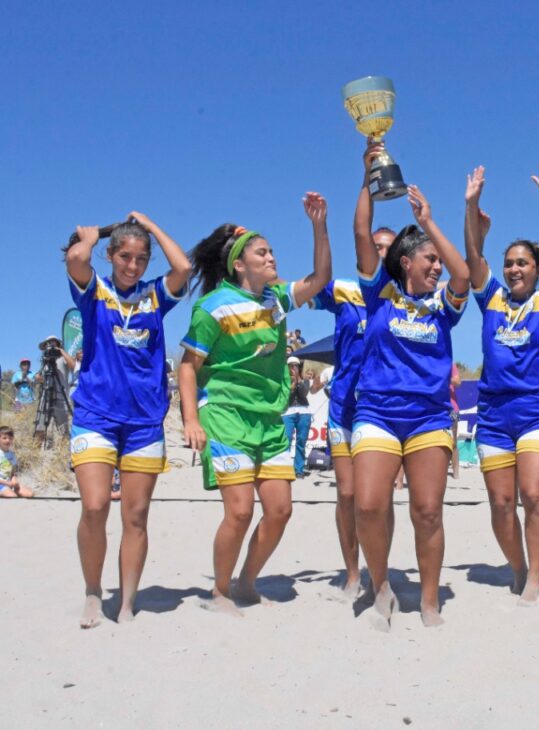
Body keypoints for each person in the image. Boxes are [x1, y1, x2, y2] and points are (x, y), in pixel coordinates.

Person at [179, 192, 332, 614]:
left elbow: (320, 277)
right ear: (240, 265)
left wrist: (319, 224)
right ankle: (221, 591)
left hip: (269, 418)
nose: (271, 257)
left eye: (272, 251)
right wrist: (191, 419)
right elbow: (188, 366)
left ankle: (247, 580)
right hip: (226, 415)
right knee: (241, 512)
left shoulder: (276, 300)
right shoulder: (212, 307)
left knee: (280, 510)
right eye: (262, 253)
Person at [352, 154, 470, 629]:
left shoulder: (444, 303)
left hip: (428, 416)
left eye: (438, 260)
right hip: (378, 411)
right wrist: (368, 176)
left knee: (427, 512)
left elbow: (464, 276)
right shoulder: (379, 292)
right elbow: (362, 232)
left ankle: (428, 599)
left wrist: (429, 223)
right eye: (430, 260)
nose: (438, 267)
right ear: (405, 263)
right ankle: (380, 585)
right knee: (369, 505)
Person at [64, 213, 191, 627]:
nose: (132, 265)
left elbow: (183, 268)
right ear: (111, 255)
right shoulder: (94, 291)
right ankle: (91, 591)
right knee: (96, 506)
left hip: (144, 422)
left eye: (139, 258)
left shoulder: (155, 295)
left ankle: (127, 602)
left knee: (135, 516)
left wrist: (152, 226)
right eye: (124, 256)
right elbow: (75, 260)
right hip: (96, 416)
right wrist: (91, 235)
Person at [463, 161, 539, 605]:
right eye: (509, 264)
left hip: (538, 410)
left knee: (532, 493)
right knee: (501, 504)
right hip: (493, 415)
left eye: (523, 263)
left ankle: (535, 574)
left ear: (537, 267)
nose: (514, 269)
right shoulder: (491, 298)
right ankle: (517, 564)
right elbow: (472, 258)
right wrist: (471, 207)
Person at [310, 151, 400, 599]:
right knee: (346, 494)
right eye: (376, 247)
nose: (380, 253)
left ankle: (381, 566)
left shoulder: (406, 297)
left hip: (387, 407)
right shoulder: (346, 289)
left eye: (388, 249)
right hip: (347, 402)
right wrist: (319, 227)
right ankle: (352, 571)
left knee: (378, 499)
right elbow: (317, 277)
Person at [281, 357, 323, 477]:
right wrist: (291, 381)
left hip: (304, 412)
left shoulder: (304, 380)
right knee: (286, 439)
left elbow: (304, 393)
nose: (294, 367)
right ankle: (286, 468)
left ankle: (298, 469)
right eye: (291, 365)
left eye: (296, 365)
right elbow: (285, 395)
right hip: (288, 412)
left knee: (301, 441)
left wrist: (298, 380)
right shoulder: (283, 380)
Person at [0, 425, 34, 498]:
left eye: (10, 438)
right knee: (12, 496)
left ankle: (10, 491)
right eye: (4, 438)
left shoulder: (12, 455)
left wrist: (14, 479)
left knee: (29, 494)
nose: (7, 440)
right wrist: (6, 483)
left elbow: (13, 472)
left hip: (10, 483)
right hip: (2, 483)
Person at [449, 363, 462, 479]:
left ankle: (456, 472)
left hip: (451, 407)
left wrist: (443, 377)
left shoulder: (450, 364)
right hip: (433, 407)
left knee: (453, 442)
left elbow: (458, 382)